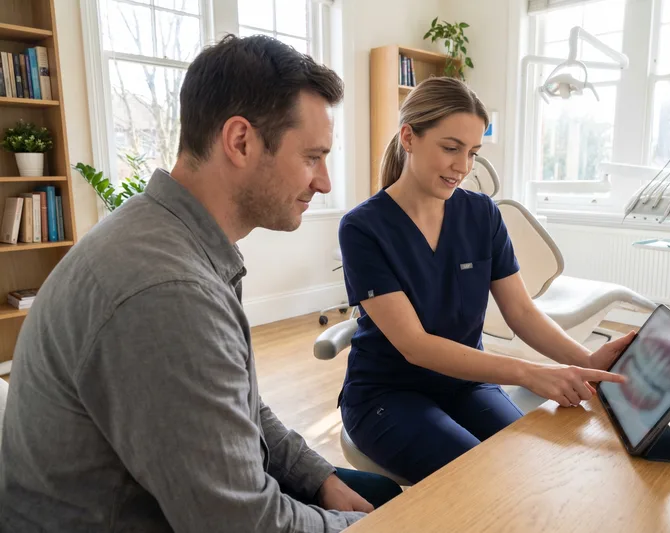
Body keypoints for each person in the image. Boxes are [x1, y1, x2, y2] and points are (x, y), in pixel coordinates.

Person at [0, 35, 401, 533]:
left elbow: (238, 403)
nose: (324, 183)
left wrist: (316, 478)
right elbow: (239, 523)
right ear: (240, 141)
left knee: (379, 493)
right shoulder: (167, 293)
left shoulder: (172, 236)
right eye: (312, 157)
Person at [337, 76, 635, 485]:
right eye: (450, 148)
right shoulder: (363, 227)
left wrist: (585, 362)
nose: (463, 166)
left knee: (527, 467)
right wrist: (530, 373)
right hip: (387, 397)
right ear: (409, 137)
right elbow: (415, 346)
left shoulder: (481, 215)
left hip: (465, 385)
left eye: (473, 152)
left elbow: (520, 311)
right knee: (483, 480)